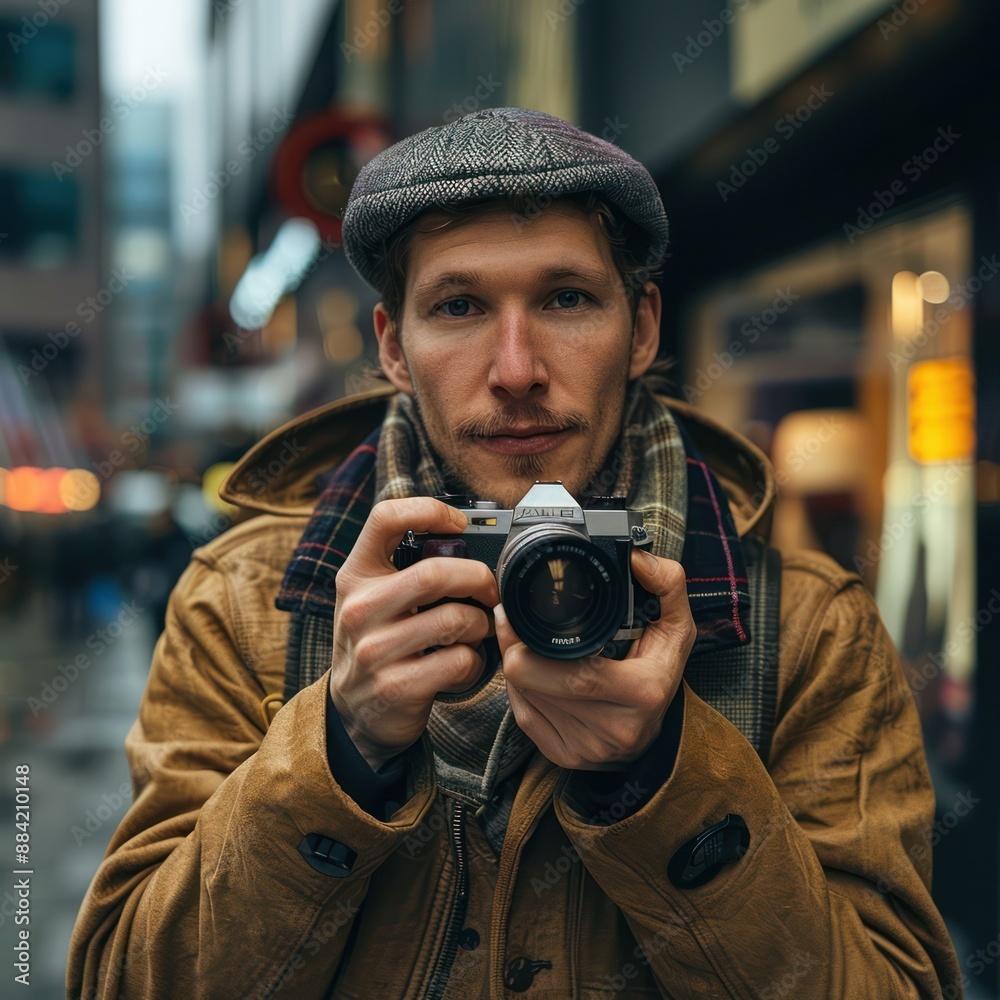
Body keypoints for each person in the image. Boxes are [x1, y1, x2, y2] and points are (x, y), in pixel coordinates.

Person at [68, 107, 962, 999]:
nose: (516, 368)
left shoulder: (803, 628)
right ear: (394, 349)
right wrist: (338, 748)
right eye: (458, 307)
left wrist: (665, 780)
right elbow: (123, 980)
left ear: (642, 329)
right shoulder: (243, 599)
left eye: (566, 299)